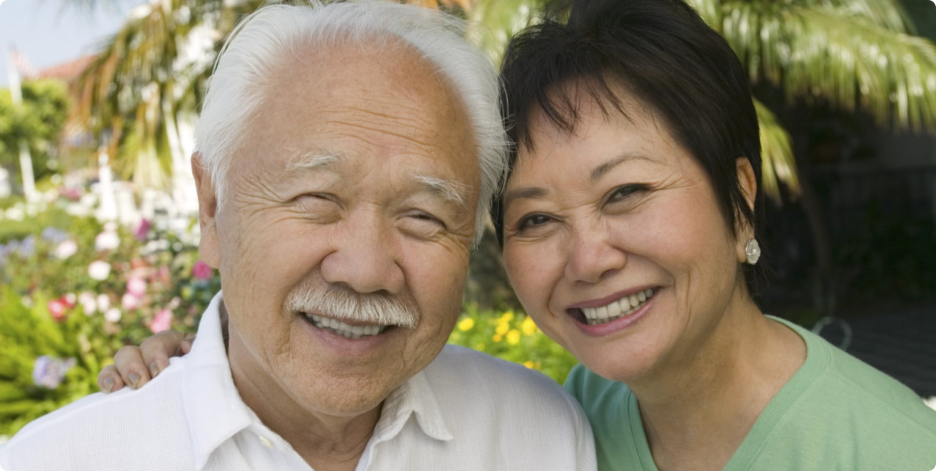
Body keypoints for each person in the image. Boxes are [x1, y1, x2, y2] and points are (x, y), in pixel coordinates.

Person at [101, 0, 936, 470]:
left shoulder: (895, 450)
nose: (589, 257)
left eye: (628, 192)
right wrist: (207, 366)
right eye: (535, 218)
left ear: (740, 200)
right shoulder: (571, 419)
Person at [0, 2, 598, 471]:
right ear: (212, 208)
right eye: (316, 200)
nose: (365, 270)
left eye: (422, 216)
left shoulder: (540, 434)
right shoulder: (57, 461)